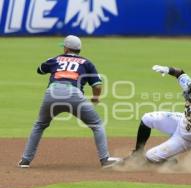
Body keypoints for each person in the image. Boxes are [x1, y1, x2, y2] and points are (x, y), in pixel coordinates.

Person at [18, 35, 122, 168]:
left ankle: (25, 160)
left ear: (66, 48)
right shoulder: (87, 63)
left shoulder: (55, 59)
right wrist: (96, 98)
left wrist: (54, 61)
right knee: (97, 125)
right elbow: (97, 85)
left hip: (52, 94)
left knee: (39, 125)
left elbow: (40, 70)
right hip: (74, 96)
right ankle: (104, 159)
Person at [126, 65, 191, 172]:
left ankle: (171, 163)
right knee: (147, 118)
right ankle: (137, 153)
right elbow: (180, 73)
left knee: (150, 157)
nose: (188, 99)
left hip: (185, 140)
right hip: (180, 121)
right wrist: (167, 69)